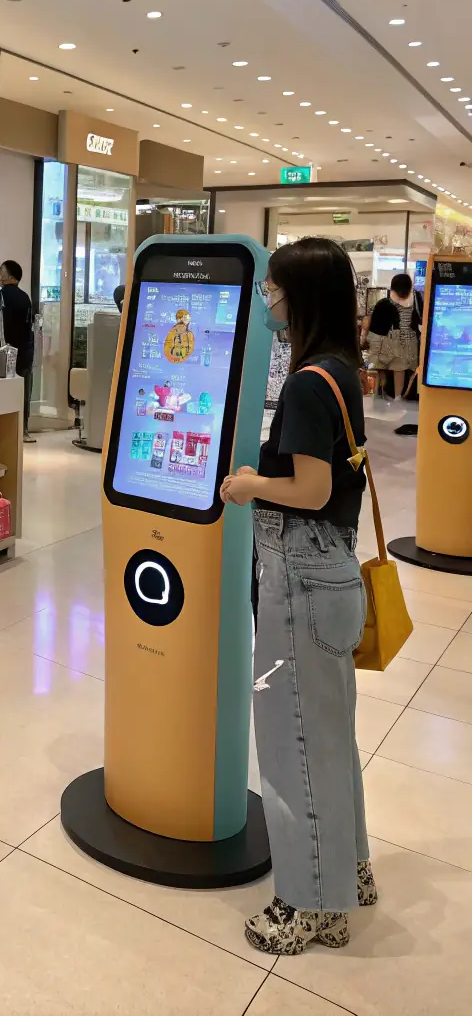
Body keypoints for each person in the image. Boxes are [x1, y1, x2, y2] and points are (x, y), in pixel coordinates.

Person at [220, 236, 373, 956]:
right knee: (329, 737)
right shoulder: (344, 369)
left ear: (298, 295)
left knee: (292, 743)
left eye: (273, 288)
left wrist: (251, 484)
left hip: (302, 578)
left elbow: (309, 489)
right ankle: (349, 872)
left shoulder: (310, 381)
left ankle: (310, 903)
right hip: (334, 572)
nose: (267, 300)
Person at [0, 260, 36, 443]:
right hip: (25, 354)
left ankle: (3, 431)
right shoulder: (26, 298)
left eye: (1, 272)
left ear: (10, 277)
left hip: (4, 355)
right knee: (23, 392)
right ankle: (23, 429)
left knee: (3, 394)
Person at [364, 272, 420, 401]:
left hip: (388, 340)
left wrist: (366, 338)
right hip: (407, 342)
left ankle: (380, 393)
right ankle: (398, 396)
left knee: (382, 367)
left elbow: (373, 324)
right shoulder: (415, 302)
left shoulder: (385, 303)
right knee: (398, 369)